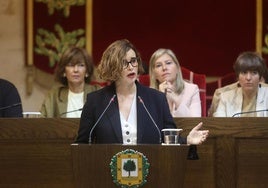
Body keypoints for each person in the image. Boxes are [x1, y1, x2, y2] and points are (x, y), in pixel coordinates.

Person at [75, 39, 208, 145]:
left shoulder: (156, 99)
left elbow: (168, 139)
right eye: (124, 63)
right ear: (112, 67)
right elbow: (82, 143)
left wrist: (187, 140)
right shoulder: (96, 101)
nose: (131, 67)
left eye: (133, 61)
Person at [40, 46, 100, 117]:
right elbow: (42, 122)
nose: (76, 70)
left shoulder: (97, 93)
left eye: (81, 65)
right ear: (64, 71)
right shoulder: (54, 96)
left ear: (87, 71)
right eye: (71, 65)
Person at [149, 48, 201, 117]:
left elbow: (195, 122)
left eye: (168, 63)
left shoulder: (192, 89)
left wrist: (176, 99)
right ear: (154, 74)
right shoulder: (148, 95)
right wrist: (160, 97)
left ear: (177, 68)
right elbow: (151, 125)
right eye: (158, 65)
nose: (164, 68)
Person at [213, 51, 268, 117]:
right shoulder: (225, 98)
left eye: (254, 73)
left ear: (260, 77)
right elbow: (219, 125)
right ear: (238, 76)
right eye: (244, 72)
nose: (248, 78)